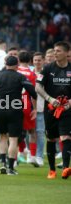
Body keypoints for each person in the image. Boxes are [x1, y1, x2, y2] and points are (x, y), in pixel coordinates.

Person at [0, 56, 37, 175]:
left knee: (3, 137)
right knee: (13, 139)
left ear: (6, 64)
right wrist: (34, 108)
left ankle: (3, 164)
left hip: (0, 109)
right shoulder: (20, 76)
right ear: (17, 64)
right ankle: (10, 168)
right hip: (15, 110)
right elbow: (33, 92)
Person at [36, 41, 71, 179]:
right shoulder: (47, 68)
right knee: (51, 138)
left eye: (58, 51)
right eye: (54, 51)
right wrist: (49, 99)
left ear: (66, 53)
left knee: (66, 137)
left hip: (67, 110)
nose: (55, 53)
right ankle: (51, 170)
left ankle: (66, 168)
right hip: (50, 109)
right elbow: (38, 87)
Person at [16, 51, 38, 167]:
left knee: (15, 132)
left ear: (18, 60)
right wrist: (34, 108)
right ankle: (32, 156)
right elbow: (33, 93)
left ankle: (16, 156)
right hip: (26, 105)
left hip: (14, 105)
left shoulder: (14, 71)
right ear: (30, 61)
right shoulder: (32, 74)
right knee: (32, 131)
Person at [32, 52, 46, 166]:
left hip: (42, 108)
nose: (37, 62)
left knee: (40, 132)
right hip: (29, 108)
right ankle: (30, 154)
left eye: (39, 60)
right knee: (29, 133)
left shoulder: (47, 73)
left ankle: (39, 156)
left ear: (43, 61)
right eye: (35, 60)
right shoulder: (29, 73)